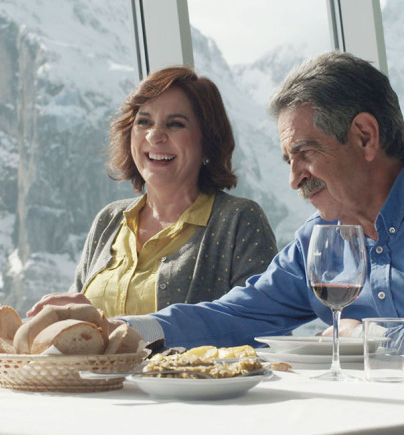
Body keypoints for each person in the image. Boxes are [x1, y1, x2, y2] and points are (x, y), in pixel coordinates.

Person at [32, 52, 404, 366]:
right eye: (287, 158)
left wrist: (368, 336)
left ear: (364, 135)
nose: (294, 177)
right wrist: (124, 326)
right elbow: (236, 314)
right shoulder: (318, 240)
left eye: (305, 153)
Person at [28, 66, 277, 319]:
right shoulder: (109, 219)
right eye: (144, 122)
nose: (155, 135)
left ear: (207, 141)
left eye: (176, 124)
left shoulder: (239, 220)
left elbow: (262, 323)